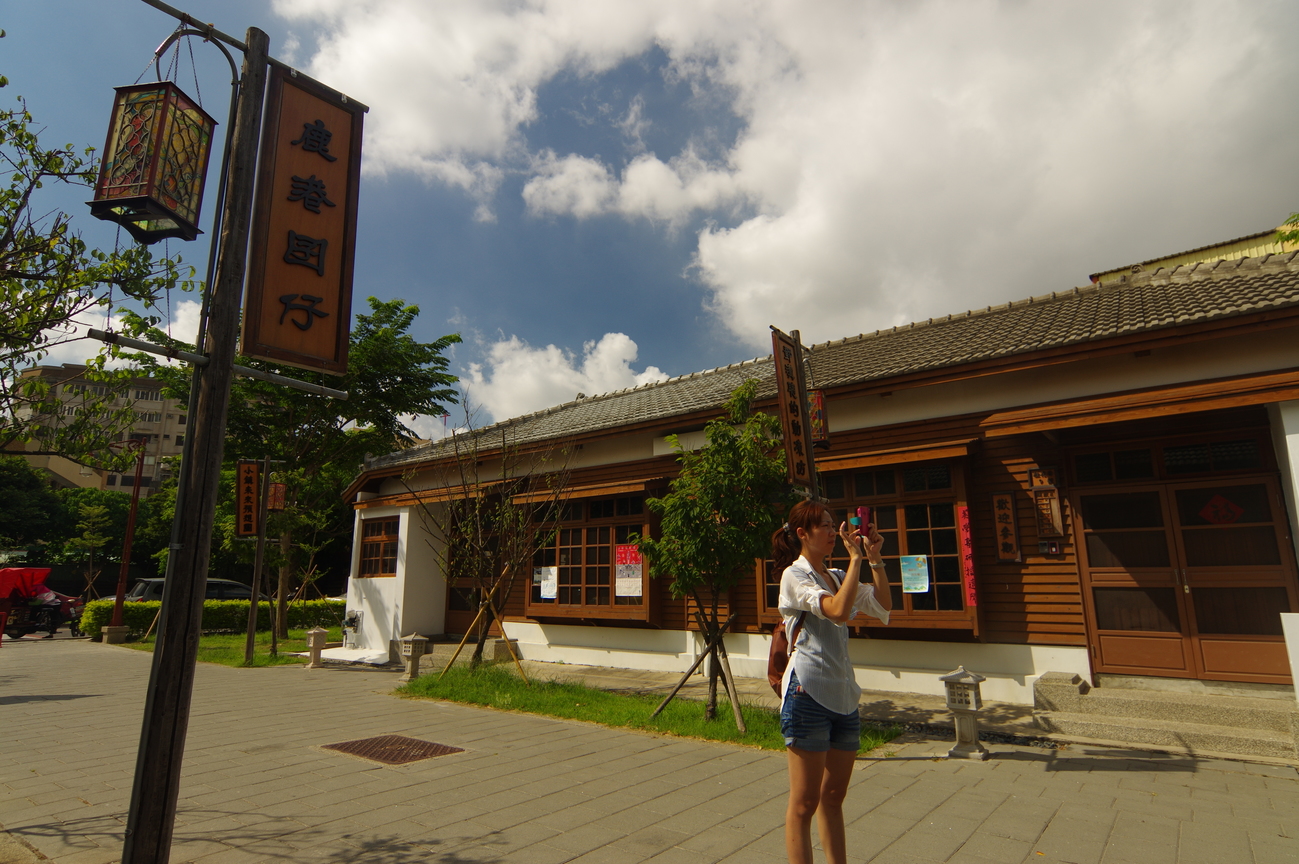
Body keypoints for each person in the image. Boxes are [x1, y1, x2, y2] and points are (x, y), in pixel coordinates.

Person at [772, 499, 891, 864]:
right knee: (805, 802)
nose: (831, 531)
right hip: (806, 693)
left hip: (844, 696)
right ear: (802, 534)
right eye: (822, 525)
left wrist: (873, 559)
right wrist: (856, 560)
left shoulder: (838, 576)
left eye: (831, 523)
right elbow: (837, 612)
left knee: (834, 796)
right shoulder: (795, 576)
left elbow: (883, 605)